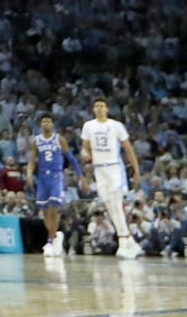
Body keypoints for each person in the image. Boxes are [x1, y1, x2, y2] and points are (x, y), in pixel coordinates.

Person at [79, 98, 143, 260]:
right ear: (93, 109)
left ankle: (123, 241)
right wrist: (84, 157)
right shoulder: (88, 126)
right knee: (110, 208)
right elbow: (85, 150)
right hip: (99, 170)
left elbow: (128, 149)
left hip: (115, 168)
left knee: (116, 205)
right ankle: (129, 240)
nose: (99, 108)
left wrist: (136, 171)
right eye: (96, 106)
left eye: (102, 106)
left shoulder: (116, 126)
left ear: (107, 108)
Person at [28, 114, 81, 257]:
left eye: (48, 121)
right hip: (42, 177)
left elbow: (70, 158)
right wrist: (29, 173)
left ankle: (50, 241)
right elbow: (32, 160)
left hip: (56, 175)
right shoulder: (36, 141)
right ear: (40, 124)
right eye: (43, 121)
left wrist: (80, 174)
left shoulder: (59, 139)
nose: (46, 123)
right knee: (45, 212)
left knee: (53, 210)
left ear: (52, 124)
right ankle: (56, 236)